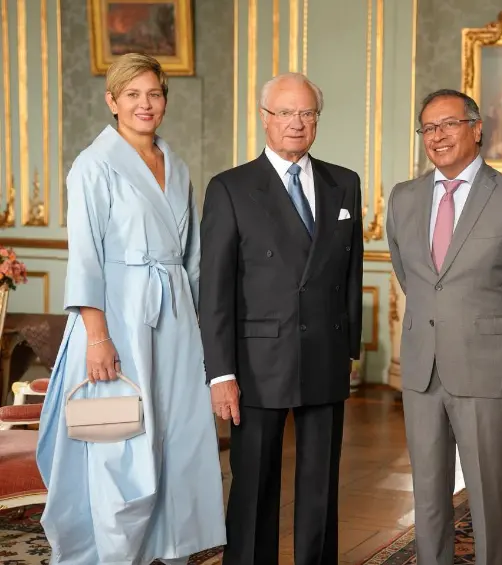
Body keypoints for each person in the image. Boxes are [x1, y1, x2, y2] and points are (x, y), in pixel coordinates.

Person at [36, 53, 226, 565]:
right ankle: (109, 551)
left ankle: (167, 547)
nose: (145, 104)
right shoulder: (93, 165)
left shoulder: (177, 164)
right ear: (112, 101)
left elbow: (191, 258)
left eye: (155, 94)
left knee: (175, 433)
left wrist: (200, 335)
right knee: (119, 436)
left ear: (165, 100)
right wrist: (97, 337)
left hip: (174, 319)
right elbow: (85, 257)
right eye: (133, 95)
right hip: (115, 319)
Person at [199, 72, 363, 565]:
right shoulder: (230, 187)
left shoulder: (344, 182)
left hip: (325, 356)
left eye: (307, 113)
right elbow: (215, 290)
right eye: (286, 113)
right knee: (253, 485)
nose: (297, 123)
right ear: (265, 118)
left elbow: (350, 274)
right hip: (256, 360)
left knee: (320, 488)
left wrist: (348, 351)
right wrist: (221, 373)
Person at [386, 89, 502, 565]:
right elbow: (412, 277)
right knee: (428, 496)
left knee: (487, 498)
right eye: (428, 128)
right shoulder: (403, 198)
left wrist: (488, 338)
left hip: (485, 369)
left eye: (449, 124)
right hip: (422, 371)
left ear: (476, 129)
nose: (437, 136)